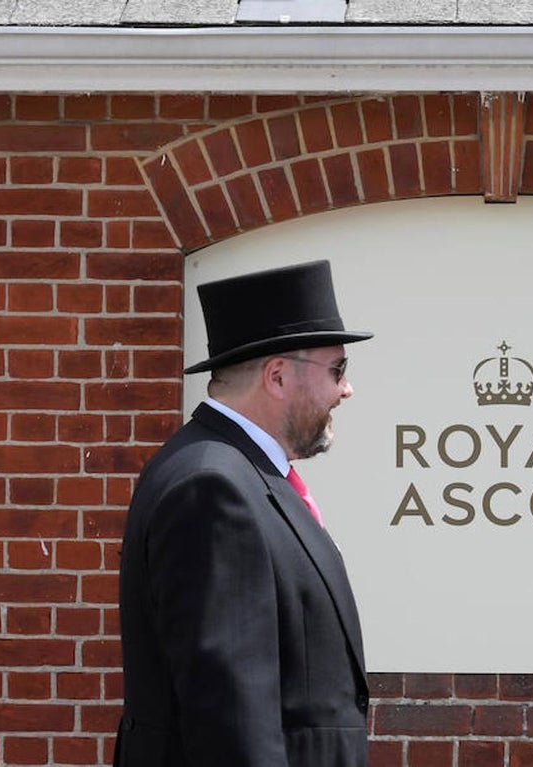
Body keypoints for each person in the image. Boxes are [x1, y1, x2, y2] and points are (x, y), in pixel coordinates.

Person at [114, 260, 372, 767]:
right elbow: (230, 721)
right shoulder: (212, 489)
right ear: (277, 376)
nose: (346, 390)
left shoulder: (233, 473)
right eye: (337, 370)